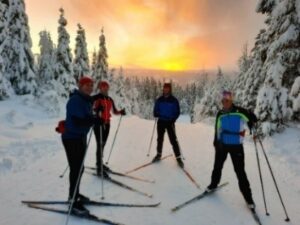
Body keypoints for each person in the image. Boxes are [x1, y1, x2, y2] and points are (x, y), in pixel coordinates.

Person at [206, 90, 258, 209]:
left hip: (236, 146)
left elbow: (250, 121)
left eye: (227, 100)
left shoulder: (239, 111)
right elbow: (217, 129)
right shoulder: (220, 114)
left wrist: (253, 122)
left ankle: (248, 197)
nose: (225, 102)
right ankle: (213, 184)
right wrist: (216, 142)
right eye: (223, 100)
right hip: (222, 145)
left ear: (231, 100)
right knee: (217, 166)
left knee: (240, 171)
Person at [61, 76, 98, 215]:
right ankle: (72, 200)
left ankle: (76, 193)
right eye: (87, 85)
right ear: (80, 86)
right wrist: (93, 120)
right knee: (76, 169)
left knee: (80, 168)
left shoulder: (86, 100)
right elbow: (78, 123)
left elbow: (87, 118)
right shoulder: (76, 100)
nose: (90, 87)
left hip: (80, 137)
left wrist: (95, 118)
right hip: (72, 138)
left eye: (91, 85)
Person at [93, 81, 126, 177]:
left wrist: (120, 112)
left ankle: (100, 163)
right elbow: (91, 108)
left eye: (106, 88)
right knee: (99, 145)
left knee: (103, 144)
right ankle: (99, 168)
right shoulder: (97, 98)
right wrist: (96, 110)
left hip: (107, 124)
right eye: (103, 87)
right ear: (100, 88)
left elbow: (114, 111)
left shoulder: (109, 99)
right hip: (98, 124)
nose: (105, 89)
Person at [152, 82, 184, 168]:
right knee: (160, 139)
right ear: (163, 89)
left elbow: (177, 112)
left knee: (173, 140)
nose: (165, 89)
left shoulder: (174, 100)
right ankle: (158, 155)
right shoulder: (159, 99)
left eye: (167, 88)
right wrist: (155, 113)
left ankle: (178, 158)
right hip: (161, 121)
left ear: (170, 89)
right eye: (164, 88)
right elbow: (155, 109)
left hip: (170, 122)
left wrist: (173, 119)